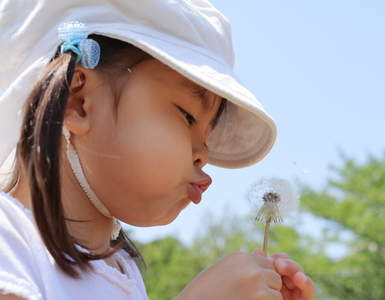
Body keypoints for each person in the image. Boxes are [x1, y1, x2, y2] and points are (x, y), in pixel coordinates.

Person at [0, 0, 315, 299]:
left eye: (206, 139)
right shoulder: (8, 240)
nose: (203, 156)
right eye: (188, 116)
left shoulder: (125, 273)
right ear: (77, 102)